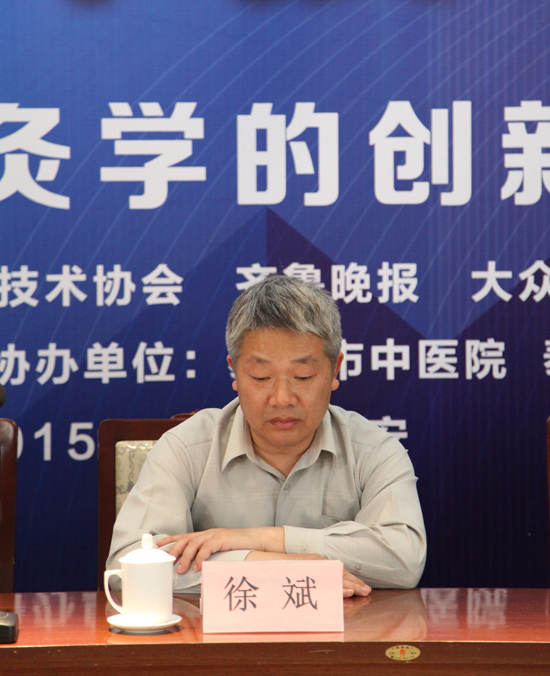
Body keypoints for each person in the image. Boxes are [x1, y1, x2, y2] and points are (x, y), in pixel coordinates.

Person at [107, 275, 426, 596]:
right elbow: (126, 565)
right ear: (234, 371)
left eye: (303, 376)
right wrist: (277, 566)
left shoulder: (374, 450)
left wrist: (260, 539)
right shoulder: (185, 448)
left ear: (335, 369)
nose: (282, 398)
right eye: (261, 377)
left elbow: (405, 558)